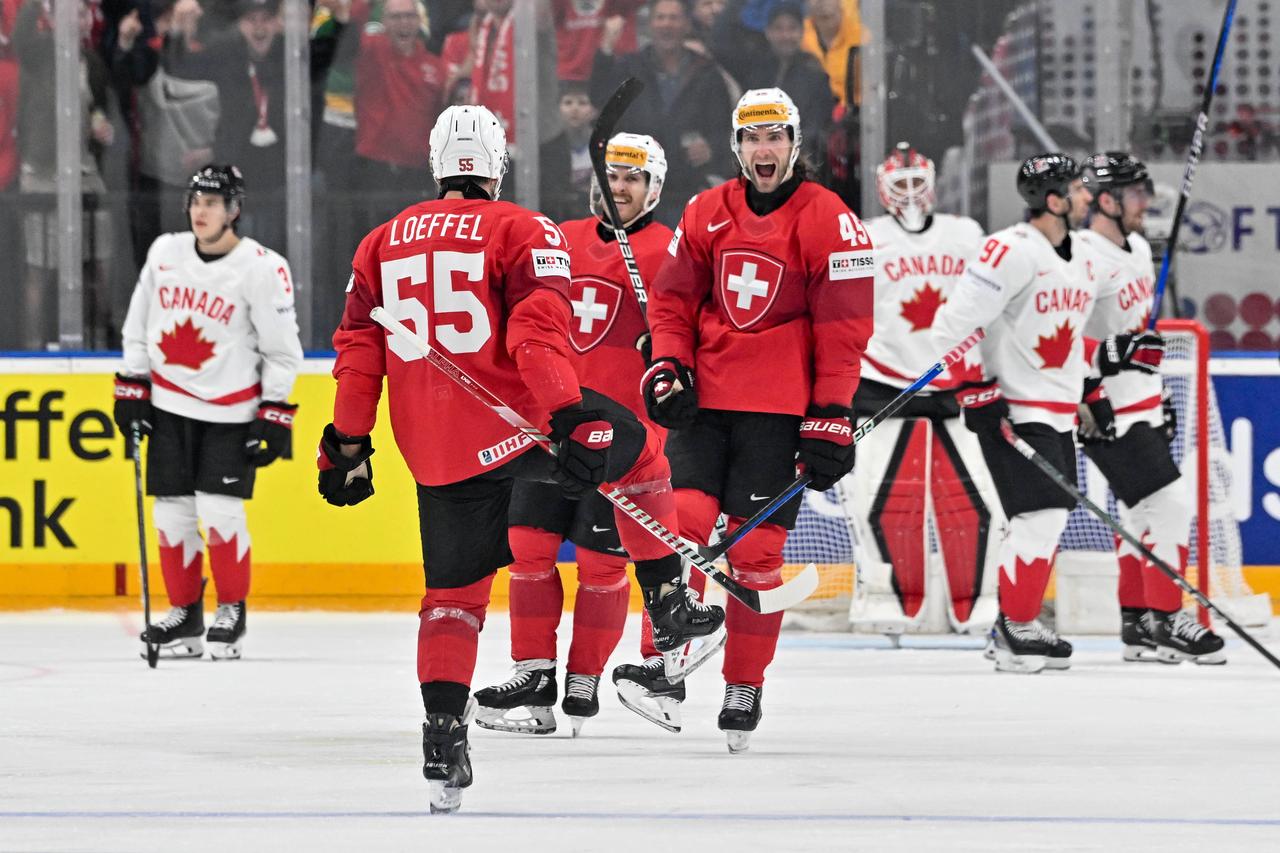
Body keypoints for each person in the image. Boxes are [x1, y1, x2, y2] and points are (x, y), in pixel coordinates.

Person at [319, 105, 724, 811]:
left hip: (437, 451)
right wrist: (568, 413)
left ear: (436, 162)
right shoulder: (523, 227)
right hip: (524, 428)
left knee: (452, 597)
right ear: (498, 165)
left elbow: (359, 355)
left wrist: (348, 444)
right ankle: (666, 604)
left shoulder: (379, 242)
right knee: (635, 450)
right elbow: (536, 334)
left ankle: (443, 732)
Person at [618, 87, 874, 752]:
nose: (765, 149)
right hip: (705, 405)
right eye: (753, 138)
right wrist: (668, 366)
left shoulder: (829, 218)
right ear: (738, 145)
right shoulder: (705, 212)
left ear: (794, 145)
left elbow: (844, 327)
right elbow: (671, 304)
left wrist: (831, 414)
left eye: (776, 137)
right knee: (684, 529)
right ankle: (664, 662)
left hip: (779, 413)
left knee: (756, 557)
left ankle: (744, 685)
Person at [472, 133, 684, 737]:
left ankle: (583, 681)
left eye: (633, 179)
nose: (618, 187)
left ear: (654, 189)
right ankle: (533, 676)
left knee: (599, 563)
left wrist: (665, 348)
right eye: (612, 176)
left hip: (622, 439)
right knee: (527, 550)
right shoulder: (555, 239)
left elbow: (688, 331)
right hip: (548, 426)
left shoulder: (669, 251)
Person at [931, 153, 1158, 674]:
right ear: (1053, 200)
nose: (1086, 196)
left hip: (1057, 407)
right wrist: (974, 389)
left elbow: (1076, 336)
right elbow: (953, 327)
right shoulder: (1010, 251)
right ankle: (1016, 629)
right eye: (1078, 188)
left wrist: (1092, 390)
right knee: (1042, 515)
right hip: (1011, 407)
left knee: (1045, 517)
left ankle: (1014, 625)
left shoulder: (1085, 258)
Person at [114, 164, 303, 661]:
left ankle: (231, 611)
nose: (201, 211)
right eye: (196, 201)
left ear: (233, 210)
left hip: (231, 410)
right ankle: (184, 617)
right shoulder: (164, 252)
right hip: (169, 406)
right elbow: (137, 326)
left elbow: (282, 350)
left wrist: (275, 409)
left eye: (213, 203)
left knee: (220, 511)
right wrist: (132, 384)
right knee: (171, 514)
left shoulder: (262, 267)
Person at [1075, 151, 1225, 665]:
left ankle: (1137, 621)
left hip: (1142, 402)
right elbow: (1054, 340)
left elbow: (1137, 331)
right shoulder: (1081, 256)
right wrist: (1106, 361)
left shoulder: (1138, 247)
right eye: (1136, 193)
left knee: (1142, 511)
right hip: (1102, 409)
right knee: (1170, 505)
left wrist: (1155, 385)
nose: (1147, 201)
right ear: (1106, 200)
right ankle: (1167, 617)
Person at [847, 142, 1000, 635]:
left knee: (977, 499)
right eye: (901, 184)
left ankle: (977, 601)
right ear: (881, 188)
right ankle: (885, 601)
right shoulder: (866, 237)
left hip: (954, 384)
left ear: (933, 183)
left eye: (917, 182)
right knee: (880, 499)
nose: (911, 194)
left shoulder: (965, 235)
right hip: (884, 385)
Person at [590, 0, 733, 225]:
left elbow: (726, 129)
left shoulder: (707, 73)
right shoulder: (629, 67)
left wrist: (712, 147)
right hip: (635, 191)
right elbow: (598, 100)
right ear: (650, 24)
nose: (667, 24)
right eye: (661, 17)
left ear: (686, 24)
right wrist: (605, 50)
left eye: (674, 18)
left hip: (686, 193)